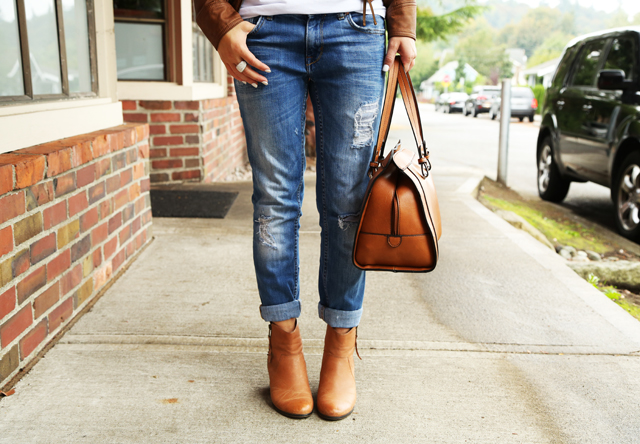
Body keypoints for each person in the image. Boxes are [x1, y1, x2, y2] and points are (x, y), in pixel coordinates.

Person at [195, 0, 417, 421]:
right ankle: (283, 345)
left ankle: (341, 346)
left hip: (354, 31)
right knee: (274, 202)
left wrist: (402, 22)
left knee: (349, 204)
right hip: (264, 32)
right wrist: (220, 22)